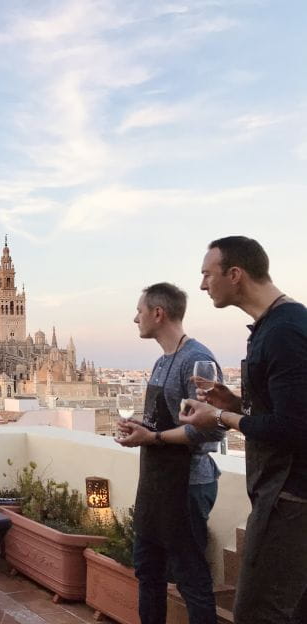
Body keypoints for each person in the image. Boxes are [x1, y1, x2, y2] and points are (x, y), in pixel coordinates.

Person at [180, 236, 307, 623]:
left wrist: (218, 419)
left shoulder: (284, 331)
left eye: (207, 274)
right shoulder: (280, 324)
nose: (202, 285)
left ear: (235, 274)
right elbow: (284, 409)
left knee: (259, 612)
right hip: (284, 498)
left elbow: (294, 427)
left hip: (290, 501)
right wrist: (234, 403)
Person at [115, 283, 223, 624]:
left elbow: (212, 430)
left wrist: (154, 436)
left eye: (140, 310)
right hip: (156, 487)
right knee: (148, 573)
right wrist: (141, 427)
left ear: (158, 313)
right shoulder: (163, 361)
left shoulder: (197, 360)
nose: (135, 318)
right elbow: (162, 423)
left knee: (192, 581)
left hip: (187, 487)